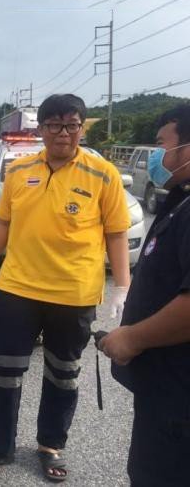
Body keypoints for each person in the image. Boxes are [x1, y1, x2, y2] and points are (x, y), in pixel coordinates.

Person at [0, 94, 131, 482]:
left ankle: (51, 445)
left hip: (73, 295)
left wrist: (123, 286)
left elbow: (117, 234)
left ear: (82, 128)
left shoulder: (102, 173)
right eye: (54, 125)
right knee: (3, 371)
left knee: (63, 374)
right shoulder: (20, 172)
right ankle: (0, 445)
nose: (63, 134)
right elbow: (3, 224)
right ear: (40, 130)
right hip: (18, 288)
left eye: (72, 125)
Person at [99, 105, 190, 487]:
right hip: (167, 392)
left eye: (162, 145)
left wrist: (131, 338)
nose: (158, 156)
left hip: (179, 401)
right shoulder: (182, 200)